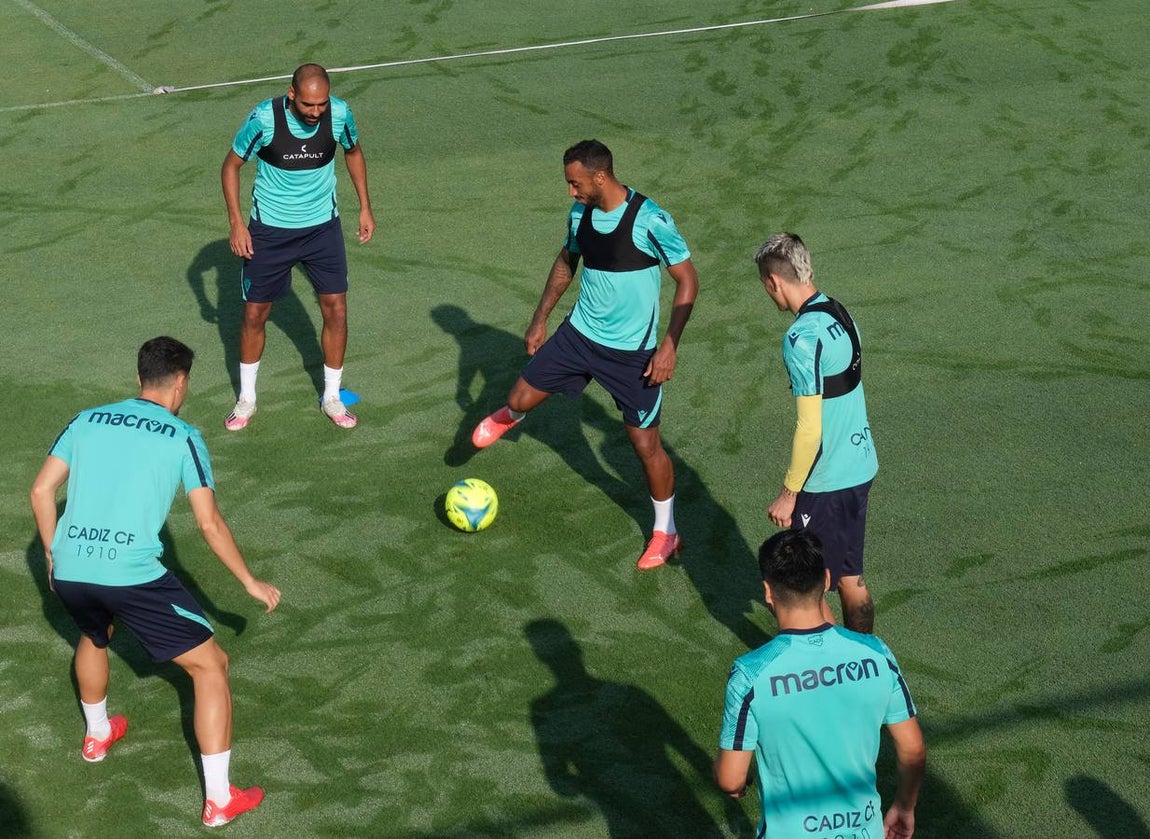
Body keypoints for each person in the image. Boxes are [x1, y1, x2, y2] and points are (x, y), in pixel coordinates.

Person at [29, 337, 282, 828]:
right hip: (132, 575)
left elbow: (41, 489)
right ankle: (219, 799)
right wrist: (248, 581)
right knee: (211, 666)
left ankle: (97, 736)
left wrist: (53, 554)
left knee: (94, 634)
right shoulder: (183, 435)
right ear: (182, 381)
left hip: (74, 565)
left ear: (139, 376)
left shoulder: (86, 419)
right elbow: (209, 524)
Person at [471, 139, 700, 570]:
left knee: (644, 443)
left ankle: (666, 532)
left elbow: (688, 281)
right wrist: (540, 318)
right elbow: (566, 262)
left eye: (575, 184)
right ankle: (508, 418)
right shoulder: (580, 214)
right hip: (579, 335)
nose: (571, 193)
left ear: (599, 177)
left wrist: (669, 344)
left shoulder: (649, 220)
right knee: (518, 400)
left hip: (633, 355)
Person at [714, 529, 925, 839]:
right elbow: (913, 749)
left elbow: (730, 779)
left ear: (767, 592)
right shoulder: (876, 654)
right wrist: (905, 806)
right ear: (827, 580)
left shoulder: (750, 674)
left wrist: (728, 772)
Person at [221, 62, 376, 430]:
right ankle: (246, 400)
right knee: (255, 314)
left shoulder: (339, 114)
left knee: (336, 309)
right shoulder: (264, 119)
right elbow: (231, 166)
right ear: (292, 95)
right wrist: (237, 223)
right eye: (309, 105)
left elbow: (353, 152)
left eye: (321, 104)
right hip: (270, 232)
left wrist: (365, 206)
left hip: (322, 229)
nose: (316, 112)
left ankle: (333, 397)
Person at [755, 232, 878, 632]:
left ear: (774, 281)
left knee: (807, 591)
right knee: (850, 577)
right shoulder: (840, 312)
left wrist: (789, 493)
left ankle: (827, 673)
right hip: (860, 465)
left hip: (825, 481)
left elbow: (810, 426)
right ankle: (865, 666)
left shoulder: (801, 338)